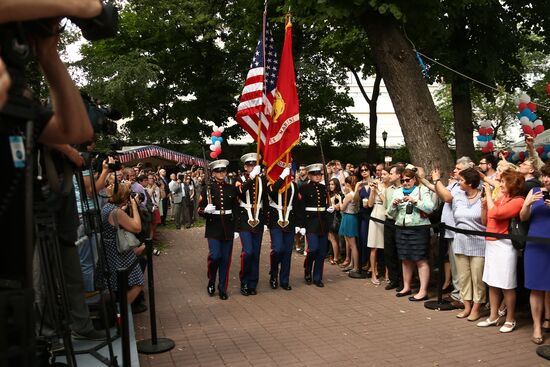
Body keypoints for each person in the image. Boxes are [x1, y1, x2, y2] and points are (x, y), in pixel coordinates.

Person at [477, 170, 525, 333]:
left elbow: (497, 214)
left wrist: (490, 195)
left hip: (505, 245)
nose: (500, 184)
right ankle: (493, 316)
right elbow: (486, 220)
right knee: (492, 281)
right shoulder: (501, 198)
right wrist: (484, 204)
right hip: (491, 243)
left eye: (504, 181)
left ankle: (510, 318)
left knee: (507, 284)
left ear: (512, 184)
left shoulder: (518, 201)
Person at [387, 168, 434, 301]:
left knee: (420, 259)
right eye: (402, 180)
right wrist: (394, 205)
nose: (405, 183)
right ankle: (406, 287)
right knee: (405, 258)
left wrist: (414, 201)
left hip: (419, 228)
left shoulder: (422, 190)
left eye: (408, 180)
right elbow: (390, 213)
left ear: (414, 179)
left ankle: (423, 291)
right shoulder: (397, 191)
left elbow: (430, 208)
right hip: (401, 228)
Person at [198, 159, 239, 300]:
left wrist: (237, 229)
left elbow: (236, 209)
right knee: (215, 256)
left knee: (225, 259)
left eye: (223, 171)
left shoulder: (231, 188)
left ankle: (222, 287)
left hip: (228, 227)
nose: (221, 173)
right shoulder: (207, 189)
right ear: (213, 173)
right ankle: (211, 279)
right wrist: (205, 210)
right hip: (213, 227)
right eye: (217, 171)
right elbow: (199, 210)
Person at [450, 168, 486, 321]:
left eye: (462, 180)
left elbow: (485, 222)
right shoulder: (457, 196)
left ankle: (477, 308)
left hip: (479, 243)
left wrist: (484, 206)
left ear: (470, 183)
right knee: (464, 277)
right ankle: (467, 307)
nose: (459, 182)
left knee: (477, 277)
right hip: (460, 241)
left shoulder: (483, 197)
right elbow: (455, 216)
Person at [519, 162, 550, 344]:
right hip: (536, 245)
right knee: (536, 287)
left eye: (548, 176)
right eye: (544, 176)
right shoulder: (534, 191)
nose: (545, 179)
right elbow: (523, 218)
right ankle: (537, 326)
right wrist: (527, 205)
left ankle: (548, 319)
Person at [101, 182, 145, 304]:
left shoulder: (106, 207)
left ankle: (122, 313)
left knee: (118, 286)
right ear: (122, 196)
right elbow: (137, 227)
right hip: (119, 253)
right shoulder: (116, 212)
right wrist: (135, 206)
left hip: (109, 251)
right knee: (138, 282)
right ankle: (122, 313)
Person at [296, 163, 334, 287]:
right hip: (310, 222)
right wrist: (301, 225)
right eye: (315, 175)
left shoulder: (324, 188)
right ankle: (308, 269)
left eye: (319, 175)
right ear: (309, 175)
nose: (318, 177)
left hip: (322, 223)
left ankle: (317, 277)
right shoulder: (304, 188)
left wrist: (330, 210)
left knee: (322, 252)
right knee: (313, 249)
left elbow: (326, 205)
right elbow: (301, 208)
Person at [236, 153, 266, 296]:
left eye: (254, 165)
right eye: (249, 165)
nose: (251, 167)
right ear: (245, 166)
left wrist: (265, 220)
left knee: (256, 253)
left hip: (258, 219)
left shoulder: (262, 180)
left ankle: (253, 283)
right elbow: (240, 193)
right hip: (244, 220)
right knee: (247, 252)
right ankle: (244, 281)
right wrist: (251, 177)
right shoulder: (239, 179)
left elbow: (265, 201)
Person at [266, 166, 297, 290]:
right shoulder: (271, 183)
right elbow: (273, 192)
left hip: (290, 221)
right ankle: (273, 274)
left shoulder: (293, 185)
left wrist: (300, 224)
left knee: (287, 252)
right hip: (276, 221)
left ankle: (284, 279)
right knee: (278, 249)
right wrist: (282, 177)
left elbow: (297, 205)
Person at [383, 165, 404, 291]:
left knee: (400, 252)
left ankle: (403, 281)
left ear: (398, 175)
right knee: (389, 251)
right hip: (389, 222)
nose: (389, 175)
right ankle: (393, 279)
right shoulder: (388, 189)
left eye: (391, 173)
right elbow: (386, 207)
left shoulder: (405, 189)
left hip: (400, 223)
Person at [367, 168, 390, 285]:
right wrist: (372, 191)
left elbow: (387, 203)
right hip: (376, 214)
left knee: (387, 246)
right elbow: (370, 204)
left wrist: (379, 191)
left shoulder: (392, 188)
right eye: (382, 174)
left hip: (387, 216)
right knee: (374, 246)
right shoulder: (376, 186)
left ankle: (387, 272)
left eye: (385, 174)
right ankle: (373, 273)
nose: (383, 176)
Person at [339, 175, 362, 278]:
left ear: (348, 184)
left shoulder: (349, 195)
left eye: (345, 184)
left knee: (352, 244)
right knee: (352, 244)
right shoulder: (356, 194)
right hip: (354, 217)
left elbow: (342, 208)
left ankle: (356, 267)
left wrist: (340, 200)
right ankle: (353, 265)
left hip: (348, 217)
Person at [327, 178, 343, 265]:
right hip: (330, 218)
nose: (331, 186)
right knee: (332, 238)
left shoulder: (338, 195)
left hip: (336, 219)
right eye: (330, 184)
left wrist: (333, 204)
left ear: (337, 185)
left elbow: (339, 207)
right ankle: (334, 256)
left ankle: (336, 257)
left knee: (333, 238)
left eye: (333, 184)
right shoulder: (330, 193)